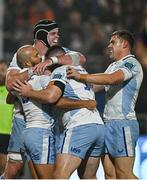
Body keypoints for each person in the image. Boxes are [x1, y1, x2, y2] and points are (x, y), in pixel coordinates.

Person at [4, 19, 86, 179]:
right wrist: (33, 71)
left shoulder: (57, 52)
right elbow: (10, 84)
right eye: (53, 34)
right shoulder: (23, 54)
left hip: (50, 119)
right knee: (14, 168)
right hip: (23, 119)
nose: (57, 36)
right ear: (42, 35)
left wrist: (52, 60)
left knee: (44, 171)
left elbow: (81, 58)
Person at [13, 45, 105, 179]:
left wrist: (29, 92)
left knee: (58, 176)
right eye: (36, 55)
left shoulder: (56, 72)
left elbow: (50, 97)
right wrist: (86, 102)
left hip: (76, 126)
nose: (40, 58)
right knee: (88, 177)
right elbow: (52, 97)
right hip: (97, 126)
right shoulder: (79, 70)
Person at [67, 29, 143, 179]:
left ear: (125, 44)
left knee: (124, 174)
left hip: (123, 123)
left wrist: (81, 76)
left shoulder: (131, 63)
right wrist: (72, 86)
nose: (109, 45)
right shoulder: (113, 66)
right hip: (107, 123)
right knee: (109, 174)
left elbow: (111, 79)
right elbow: (96, 86)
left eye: (113, 42)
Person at [0, 60, 13, 175]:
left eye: (3, 70)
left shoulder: (12, 91)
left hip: (7, 133)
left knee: (4, 166)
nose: (0, 73)